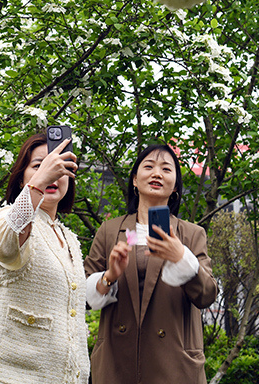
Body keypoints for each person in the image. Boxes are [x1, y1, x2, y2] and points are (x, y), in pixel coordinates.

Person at [84, 144, 217, 384]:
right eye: (149, 167)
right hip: (116, 362)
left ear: (175, 186)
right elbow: (81, 297)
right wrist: (109, 276)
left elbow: (207, 295)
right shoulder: (110, 231)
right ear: (135, 180)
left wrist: (182, 258)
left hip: (174, 365)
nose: (157, 173)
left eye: (166, 169)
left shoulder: (191, 234)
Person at [0, 133, 89, 384]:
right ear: (22, 178)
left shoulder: (70, 239)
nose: (52, 173)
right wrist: (40, 182)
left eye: (59, 167)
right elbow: (6, 244)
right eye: (38, 166)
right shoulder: (7, 216)